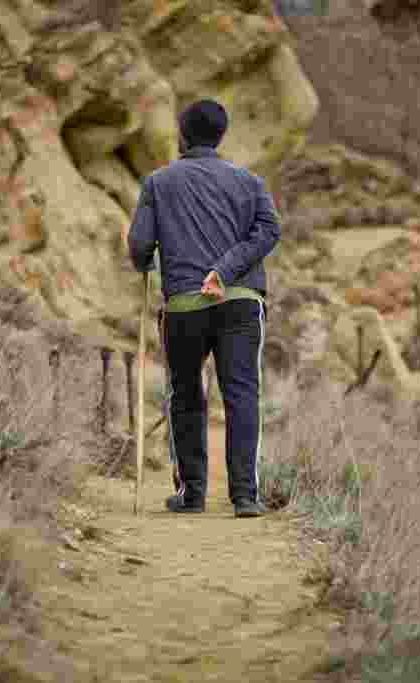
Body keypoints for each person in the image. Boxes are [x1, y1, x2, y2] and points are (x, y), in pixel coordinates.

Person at [127, 99, 281, 518]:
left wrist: (145, 261)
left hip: (184, 307)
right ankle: (245, 497)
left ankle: (192, 493)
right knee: (242, 394)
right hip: (241, 304)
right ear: (222, 135)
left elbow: (140, 243)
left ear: (182, 134)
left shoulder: (159, 183)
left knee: (186, 394)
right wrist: (227, 270)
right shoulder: (249, 182)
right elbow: (270, 230)